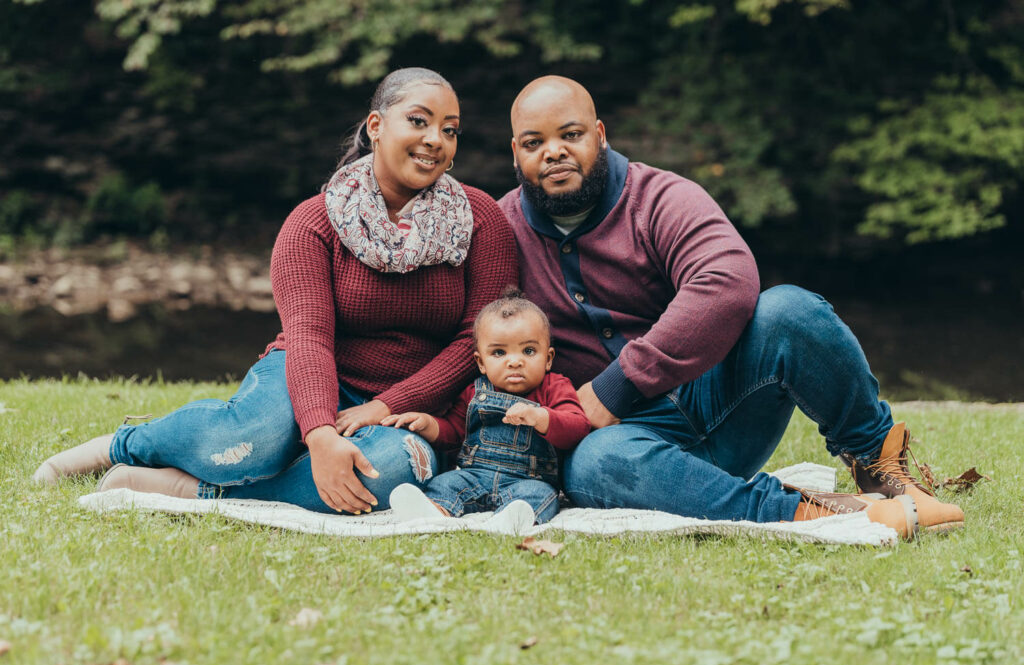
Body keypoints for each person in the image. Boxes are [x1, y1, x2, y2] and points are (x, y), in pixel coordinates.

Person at [32, 67, 518, 515]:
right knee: (256, 437)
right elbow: (309, 337)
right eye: (419, 121)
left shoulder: (481, 221)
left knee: (393, 470)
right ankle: (125, 444)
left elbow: (473, 344)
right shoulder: (312, 223)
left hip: (411, 403)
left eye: (450, 129)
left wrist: (385, 407)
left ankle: (189, 490)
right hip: (310, 371)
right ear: (376, 125)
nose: (436, 140)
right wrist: (321, 431)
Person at [496, 75, 964, 538]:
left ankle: (879, 465)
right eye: (535, 142)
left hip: (720, 400)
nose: (553, 151)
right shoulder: (500, 230)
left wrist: (616, 387)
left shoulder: (659, 197)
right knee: (592, 464)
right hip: (624, 446)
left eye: (570, 135)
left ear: (599, 136)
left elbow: (727, 279)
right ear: (516, 154)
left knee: (788, 311)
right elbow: (469, 333)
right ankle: (814, 514)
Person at [385, 287, 590, 530]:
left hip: (528, 479)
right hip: (475, 474)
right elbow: (455, 431)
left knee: (537, 495)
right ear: (481, 362)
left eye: (529, 351)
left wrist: (541, 417)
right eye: (499, 352)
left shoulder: (554, 386)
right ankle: (434, 510)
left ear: (548, 358)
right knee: (447, 483)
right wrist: (429, 425)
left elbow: (578, 427)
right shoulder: (475, 391)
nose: (514, 361)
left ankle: (511, 518)